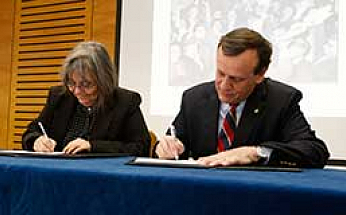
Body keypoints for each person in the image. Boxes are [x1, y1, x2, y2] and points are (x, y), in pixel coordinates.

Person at [155, 27, 329, 168]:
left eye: (236, 79)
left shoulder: (281, 100)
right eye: (220, 73)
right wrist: (166, 148)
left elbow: (314, 151)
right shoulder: (194, 98)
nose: (223, 86)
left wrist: (256, 153)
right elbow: (176, 144)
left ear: (260, 74)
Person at [22, 41, 150, 156]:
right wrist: (36, 141)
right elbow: (32, 131)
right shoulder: (59, 96)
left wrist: (92, 146)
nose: (77, 91)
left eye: (86, 84)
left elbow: (140, 147)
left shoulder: (125, 101)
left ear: (104, 81)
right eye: (71, 83)